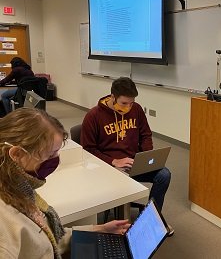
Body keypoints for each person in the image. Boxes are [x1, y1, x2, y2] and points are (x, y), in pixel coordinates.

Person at [0, 108, 130, 258]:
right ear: (17, 154)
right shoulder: (5, 223)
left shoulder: (16, 186)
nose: (56, 160)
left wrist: (99, 229)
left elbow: (49, 238)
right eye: (50, 154)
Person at [80, 77, 173, 235]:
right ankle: (121, 226)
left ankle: (152, 220)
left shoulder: (136, 109)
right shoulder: (93, 116)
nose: (129, 107)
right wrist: (113, 161)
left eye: (131, 102)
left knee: (164, 175)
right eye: (124, 103)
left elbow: (145, 135)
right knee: (121, 179)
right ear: (112, 97)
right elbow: (88, 150)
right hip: (108, 167)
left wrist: (146, 156)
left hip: (133, 163)